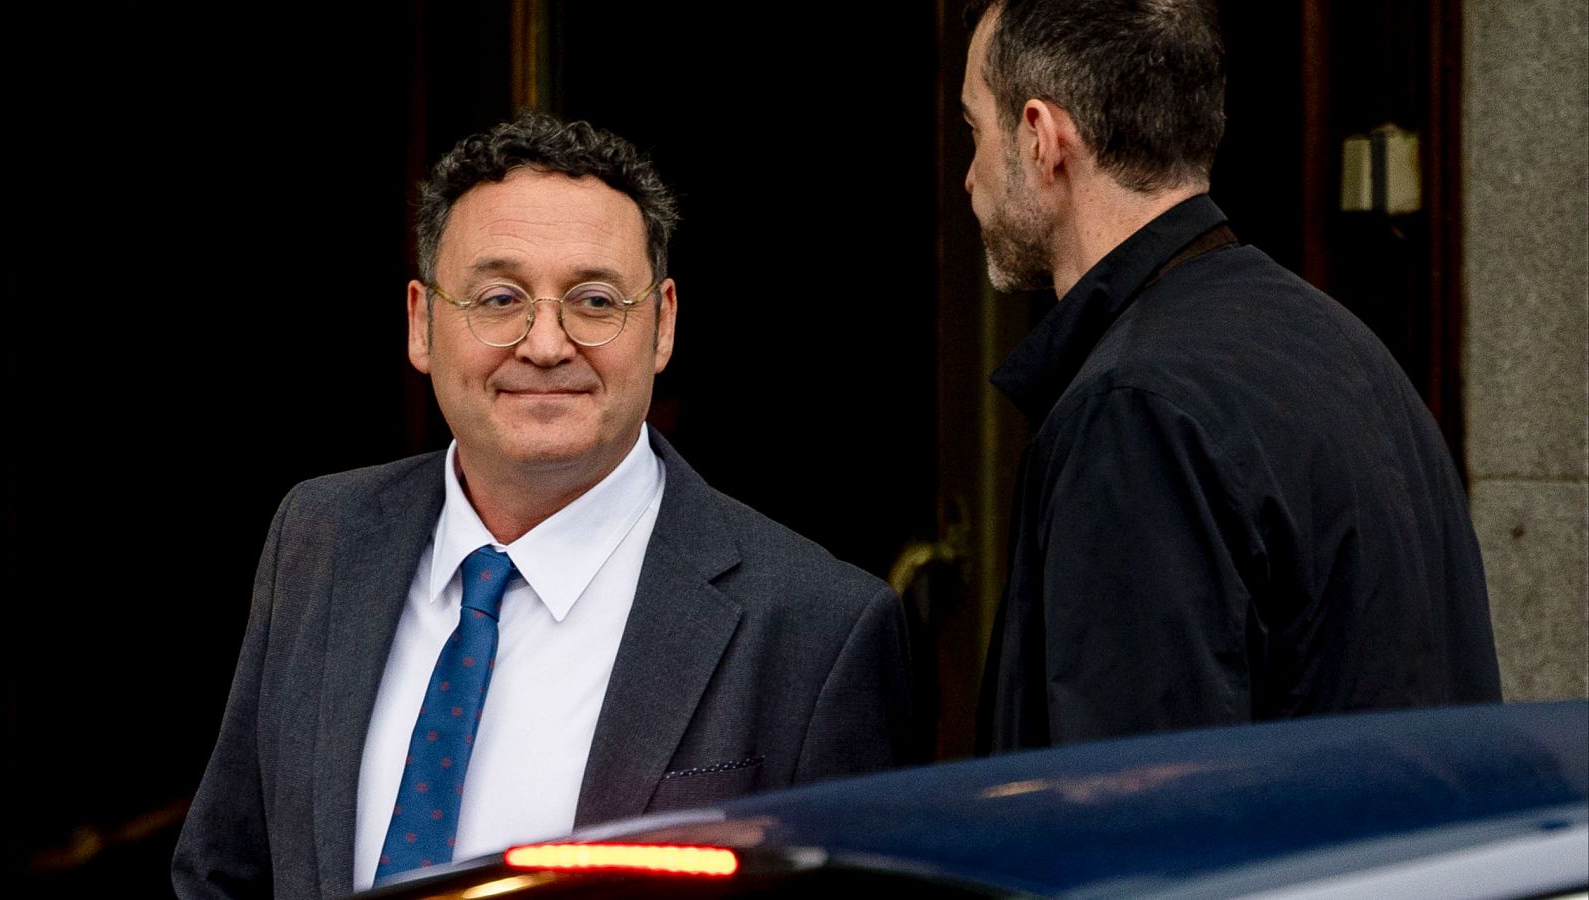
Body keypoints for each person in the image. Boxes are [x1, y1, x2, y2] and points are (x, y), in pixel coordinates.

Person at [171, 109, 912, 899]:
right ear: (422, 323)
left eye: (595, 300)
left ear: (661, 324)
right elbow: (225, 873)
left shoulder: (818, 627)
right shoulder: (319, 537)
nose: (546, 343)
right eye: (498, 298)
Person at [961, 0, 1501, 751]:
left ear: (1041, 137)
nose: (969, 178)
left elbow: (1135, 809)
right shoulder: (1338, 345)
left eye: (975, 131)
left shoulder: (1134, 412)